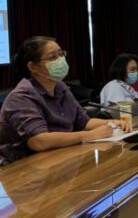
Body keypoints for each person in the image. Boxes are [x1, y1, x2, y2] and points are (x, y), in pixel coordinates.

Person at [0, 37, 130, 165]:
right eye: (52, 57)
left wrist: (111, 123)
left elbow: (84, 122)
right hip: (22, 167)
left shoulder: (61, 87)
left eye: (61, 54)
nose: (60, 60)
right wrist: (90, 135)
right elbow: (39, 141)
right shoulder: (21, 97)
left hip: (61, 157)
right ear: (33, 67)